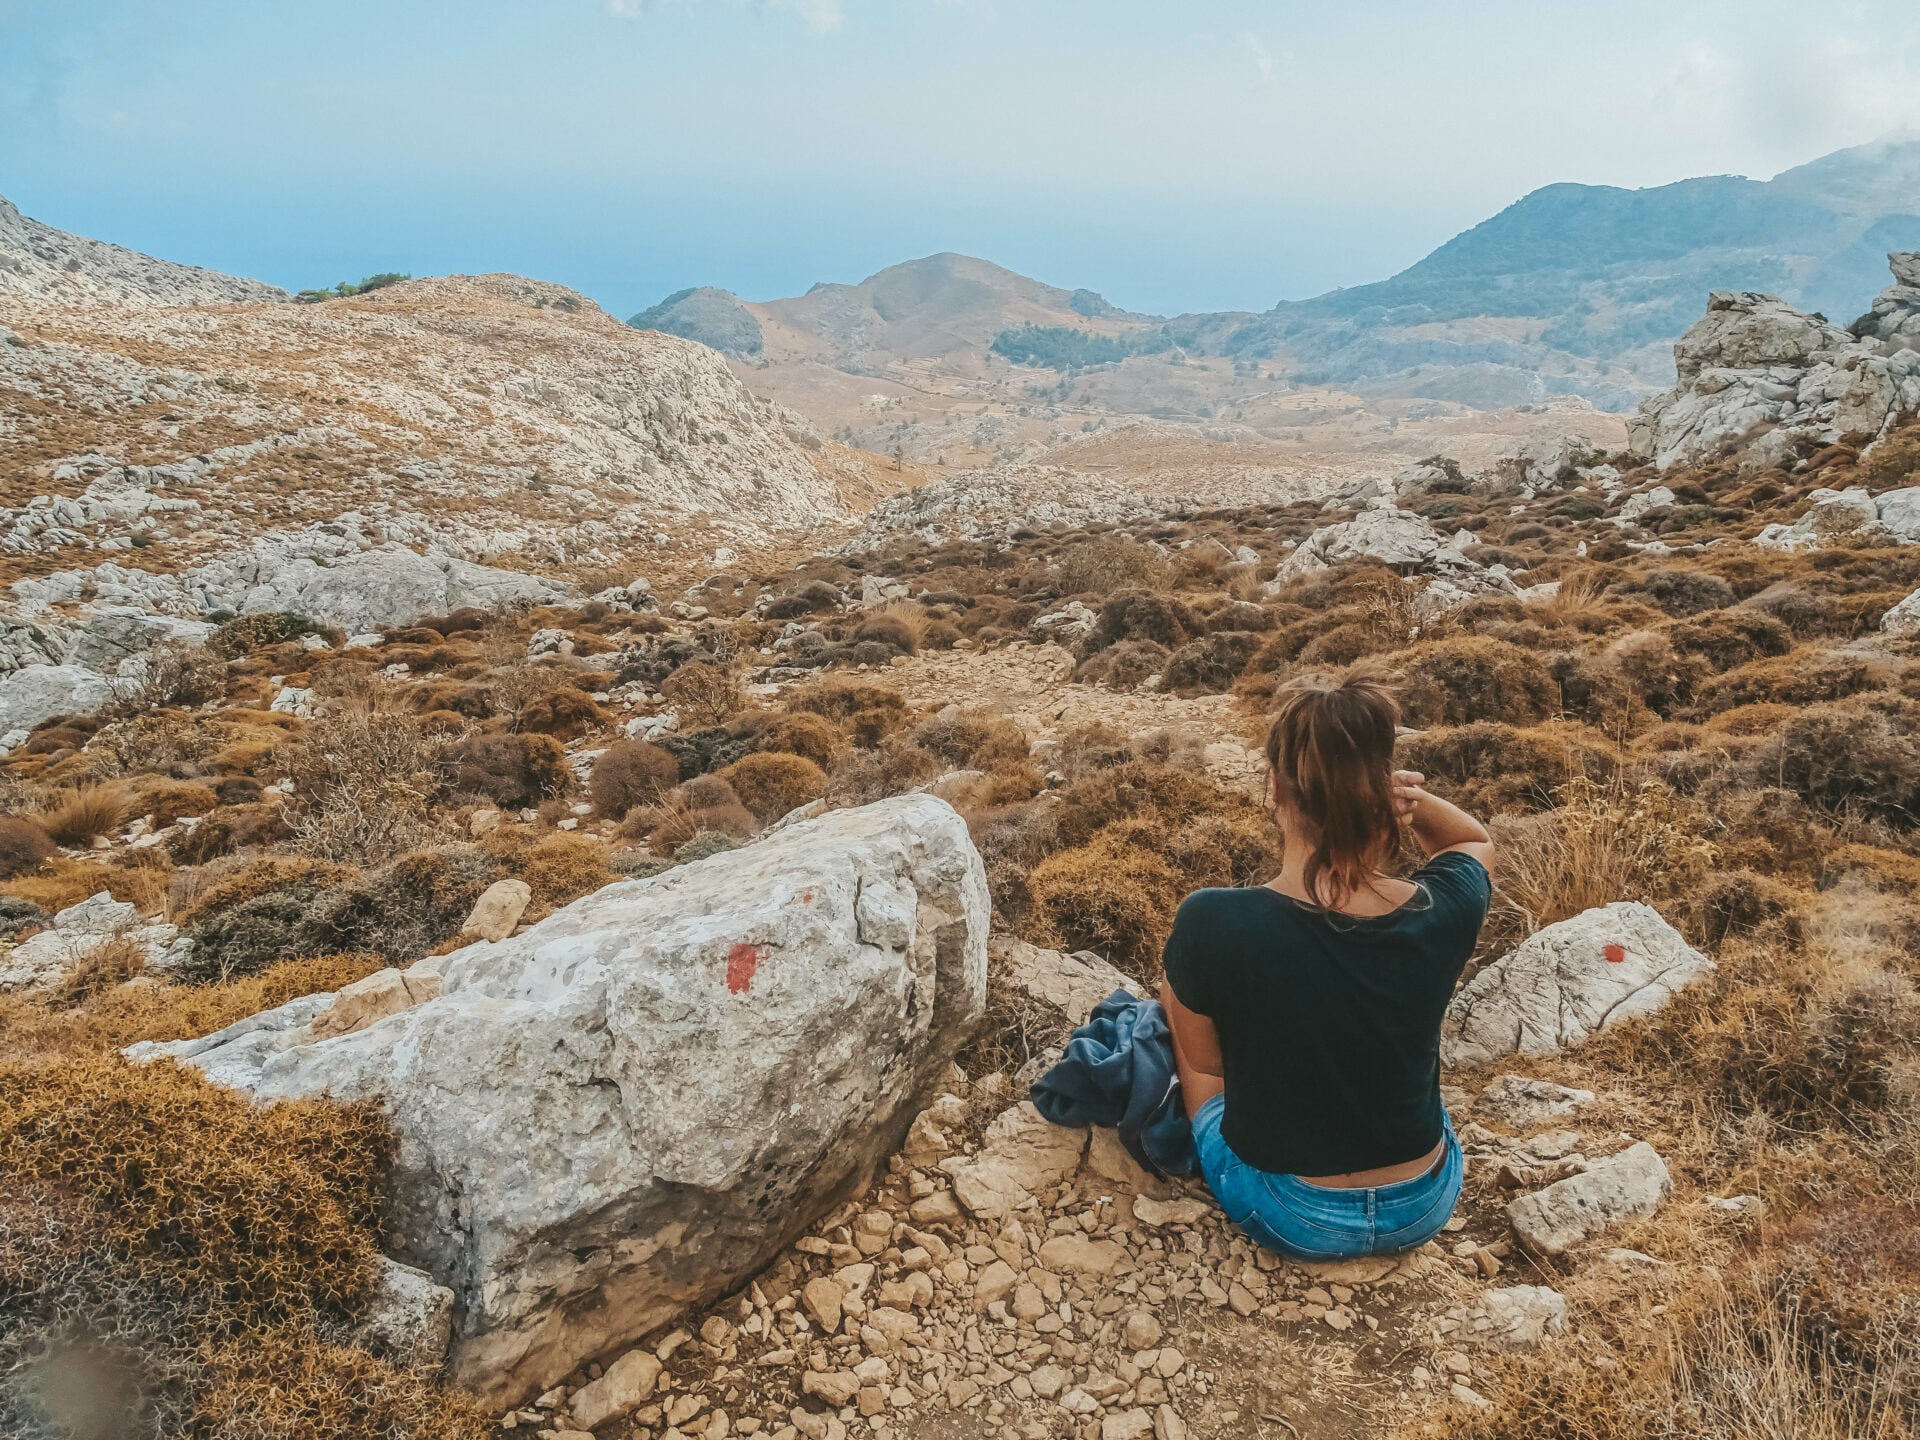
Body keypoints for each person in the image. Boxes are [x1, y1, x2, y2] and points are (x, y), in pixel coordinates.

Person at [1159, 670, 1494, 1261]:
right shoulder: (1444, 908)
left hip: (1292, 1210)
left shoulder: (1213, 919)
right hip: (1424, 1202)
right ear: (1382, 790)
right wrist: (1407, 799)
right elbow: (1471, 843)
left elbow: (1210, 1063)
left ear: (1274, 789)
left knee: (1186, 1021)